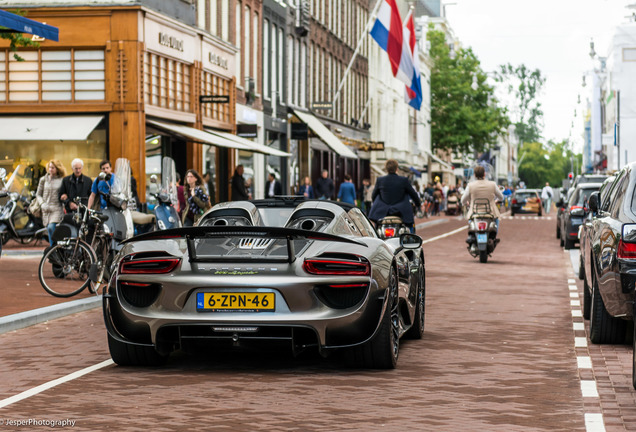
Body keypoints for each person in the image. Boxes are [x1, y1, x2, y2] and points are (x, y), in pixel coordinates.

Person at [368, 159, 422, 232]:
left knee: (377, 226)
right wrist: (418, 204)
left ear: (386, 169)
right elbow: (413, 194)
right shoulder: (404, 180)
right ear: (397, 169)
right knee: (410, 226)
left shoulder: (380, 180)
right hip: (400, 211)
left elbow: (374, 195)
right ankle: (411, 239)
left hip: (383, 211)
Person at [461, 165, 504, 229]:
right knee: (496, 221)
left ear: (474, 175)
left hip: (475, 212)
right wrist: (496, 201)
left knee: (471, 224)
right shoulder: (493, 184)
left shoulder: (470, 185)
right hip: (490, 212)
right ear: (484, 174)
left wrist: (466, 203)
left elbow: (463, 200)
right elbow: (501, 197)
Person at [37, 160, 66, 246]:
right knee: (49, 229)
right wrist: (42, 204)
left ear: (57, 169)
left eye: (53, 168)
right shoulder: (43, 179)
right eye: (49, 167)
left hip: (57, 208)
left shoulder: (62, 180)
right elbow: (38, 194)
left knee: (51, 227)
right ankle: (54, 248)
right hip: (45, 209)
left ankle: (53, 248)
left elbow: (64, 193)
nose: (50, 169)